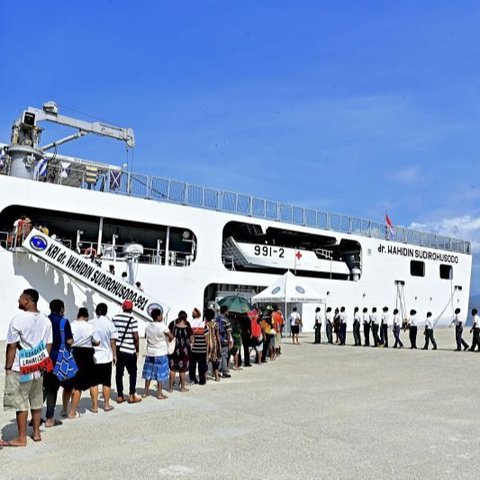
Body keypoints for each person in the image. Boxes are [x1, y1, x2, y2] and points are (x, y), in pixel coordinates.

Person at [1, 289, 53, 447]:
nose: (18, 300)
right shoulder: (46, 320)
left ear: (27, 300)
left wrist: (8, 366)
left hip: (20, 366)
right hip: (38, 365)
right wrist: (43, 361)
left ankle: (22, 438)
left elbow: (12, 346)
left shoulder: (17, 319)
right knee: (36, 400)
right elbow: (49, 343)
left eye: (20, 298)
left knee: (21, 402)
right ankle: (36, 433)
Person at [43, 299, 74, 427]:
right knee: (53, 389)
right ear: (61, 309)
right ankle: (50, 418)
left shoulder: (44, 320)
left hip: (44, 357)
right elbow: (70, 341)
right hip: (59, 359)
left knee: (44, 387)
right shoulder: (64, 321)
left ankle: (36, 416)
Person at [68, 308, 100, 419]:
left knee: (73, 383)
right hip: (87, 354)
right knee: (92, 382)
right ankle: (95, 407)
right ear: (86, 316)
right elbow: (97, 341)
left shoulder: (71, 324)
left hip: (73, 353)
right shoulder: (90, 327)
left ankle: (69, 408)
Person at [89, 303, 118, 412]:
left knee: (93, 382)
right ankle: (106, 405)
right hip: (106, 356)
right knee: (106, 381)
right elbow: (113, 341)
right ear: (106, 311)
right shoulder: (110, 324)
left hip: (94, 356)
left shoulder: (90, 323)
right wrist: (115, 355)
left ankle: (95, 406)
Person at [113, 300, 142, 404]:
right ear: (131, 309)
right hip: (129, 350)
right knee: (133, 373)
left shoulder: (115, 318)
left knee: (119, 373)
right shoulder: (133, 319)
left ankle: (120, 395)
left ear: (122, 307)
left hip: (119, 349)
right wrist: (137, 349)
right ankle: (131, 395)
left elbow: (113, 334)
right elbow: (135, 336)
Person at [142, 308, 174, 398]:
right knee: (160, 373)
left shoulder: (148, 326)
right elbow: (171, 336)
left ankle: (145, 392)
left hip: (150, 352)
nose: (162, 316)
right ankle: (159, 394)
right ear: (158, 316)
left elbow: (147, 338)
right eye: (161, 315)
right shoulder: (162, 326)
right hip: (160, 352)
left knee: (148, 373)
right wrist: (168, 340)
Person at [168, 311, 194, 392]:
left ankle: (170, 388)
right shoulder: (188, 327)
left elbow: (169, 335)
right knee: (182, 370)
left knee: (172, 369)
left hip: (174, 350)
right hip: (184, 351)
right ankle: (182, 388)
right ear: (185, 318)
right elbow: (192, 339)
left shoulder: (174, 325)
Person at [189, 308, 208, 384]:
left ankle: (193, 379)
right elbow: (206, 336)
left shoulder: (190, 323)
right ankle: (202, 380)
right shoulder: (203, 324)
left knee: (192, 365)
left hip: (193, 348)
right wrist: (207, 347)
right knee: (202, 365)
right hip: (202, 348)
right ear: (200, 315)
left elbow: (189, 336)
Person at [216, 305, 233, 378]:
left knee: (218, 356)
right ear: (225, 311)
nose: (228, 312)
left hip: (217, 340)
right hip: (224, 340)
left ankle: (217, 370)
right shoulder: (226, 320)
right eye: (228, 311)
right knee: (224, 356)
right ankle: (224, 372)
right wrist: (229, 342)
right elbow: (229, 332)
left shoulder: (216, 319)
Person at [205, 308, 221, 381]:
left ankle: (205, 377)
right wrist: (219, 346)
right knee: (215, 361)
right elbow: (217, 336)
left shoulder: (204, 325)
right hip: (214, 345)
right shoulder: (215, 324)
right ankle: (217, 377)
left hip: (206, 345)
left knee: (206, 361)